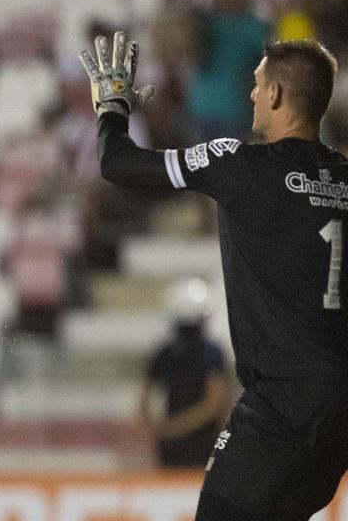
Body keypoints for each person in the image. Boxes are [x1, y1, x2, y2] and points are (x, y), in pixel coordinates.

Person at [81, 32, 348, 520]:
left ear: (276, 94)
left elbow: (117, 163)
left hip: (279, 405)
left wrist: (114, 108)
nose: (250, 94)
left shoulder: (239, 163)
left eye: (256, 82)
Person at [138, 277, 232, 468]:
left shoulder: (165, 353)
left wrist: (166, 429)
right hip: (203, 442)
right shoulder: (211, 352)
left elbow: (143, 402)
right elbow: (216, 403)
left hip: (182, 441)